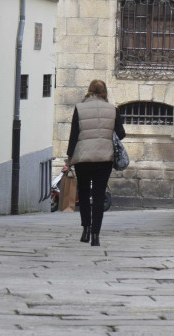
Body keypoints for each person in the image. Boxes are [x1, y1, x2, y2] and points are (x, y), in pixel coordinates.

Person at [63, 79, 126, 247]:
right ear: (104, 92)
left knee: (83, 194)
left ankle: (85, 229)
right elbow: (121, 133)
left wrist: (69, 159)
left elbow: (74, 136)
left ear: (89, 91)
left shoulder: (79, 108)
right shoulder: (113, 110)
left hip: (83, 158)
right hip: (104, 158)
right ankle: (96, 235)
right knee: (99, 196)